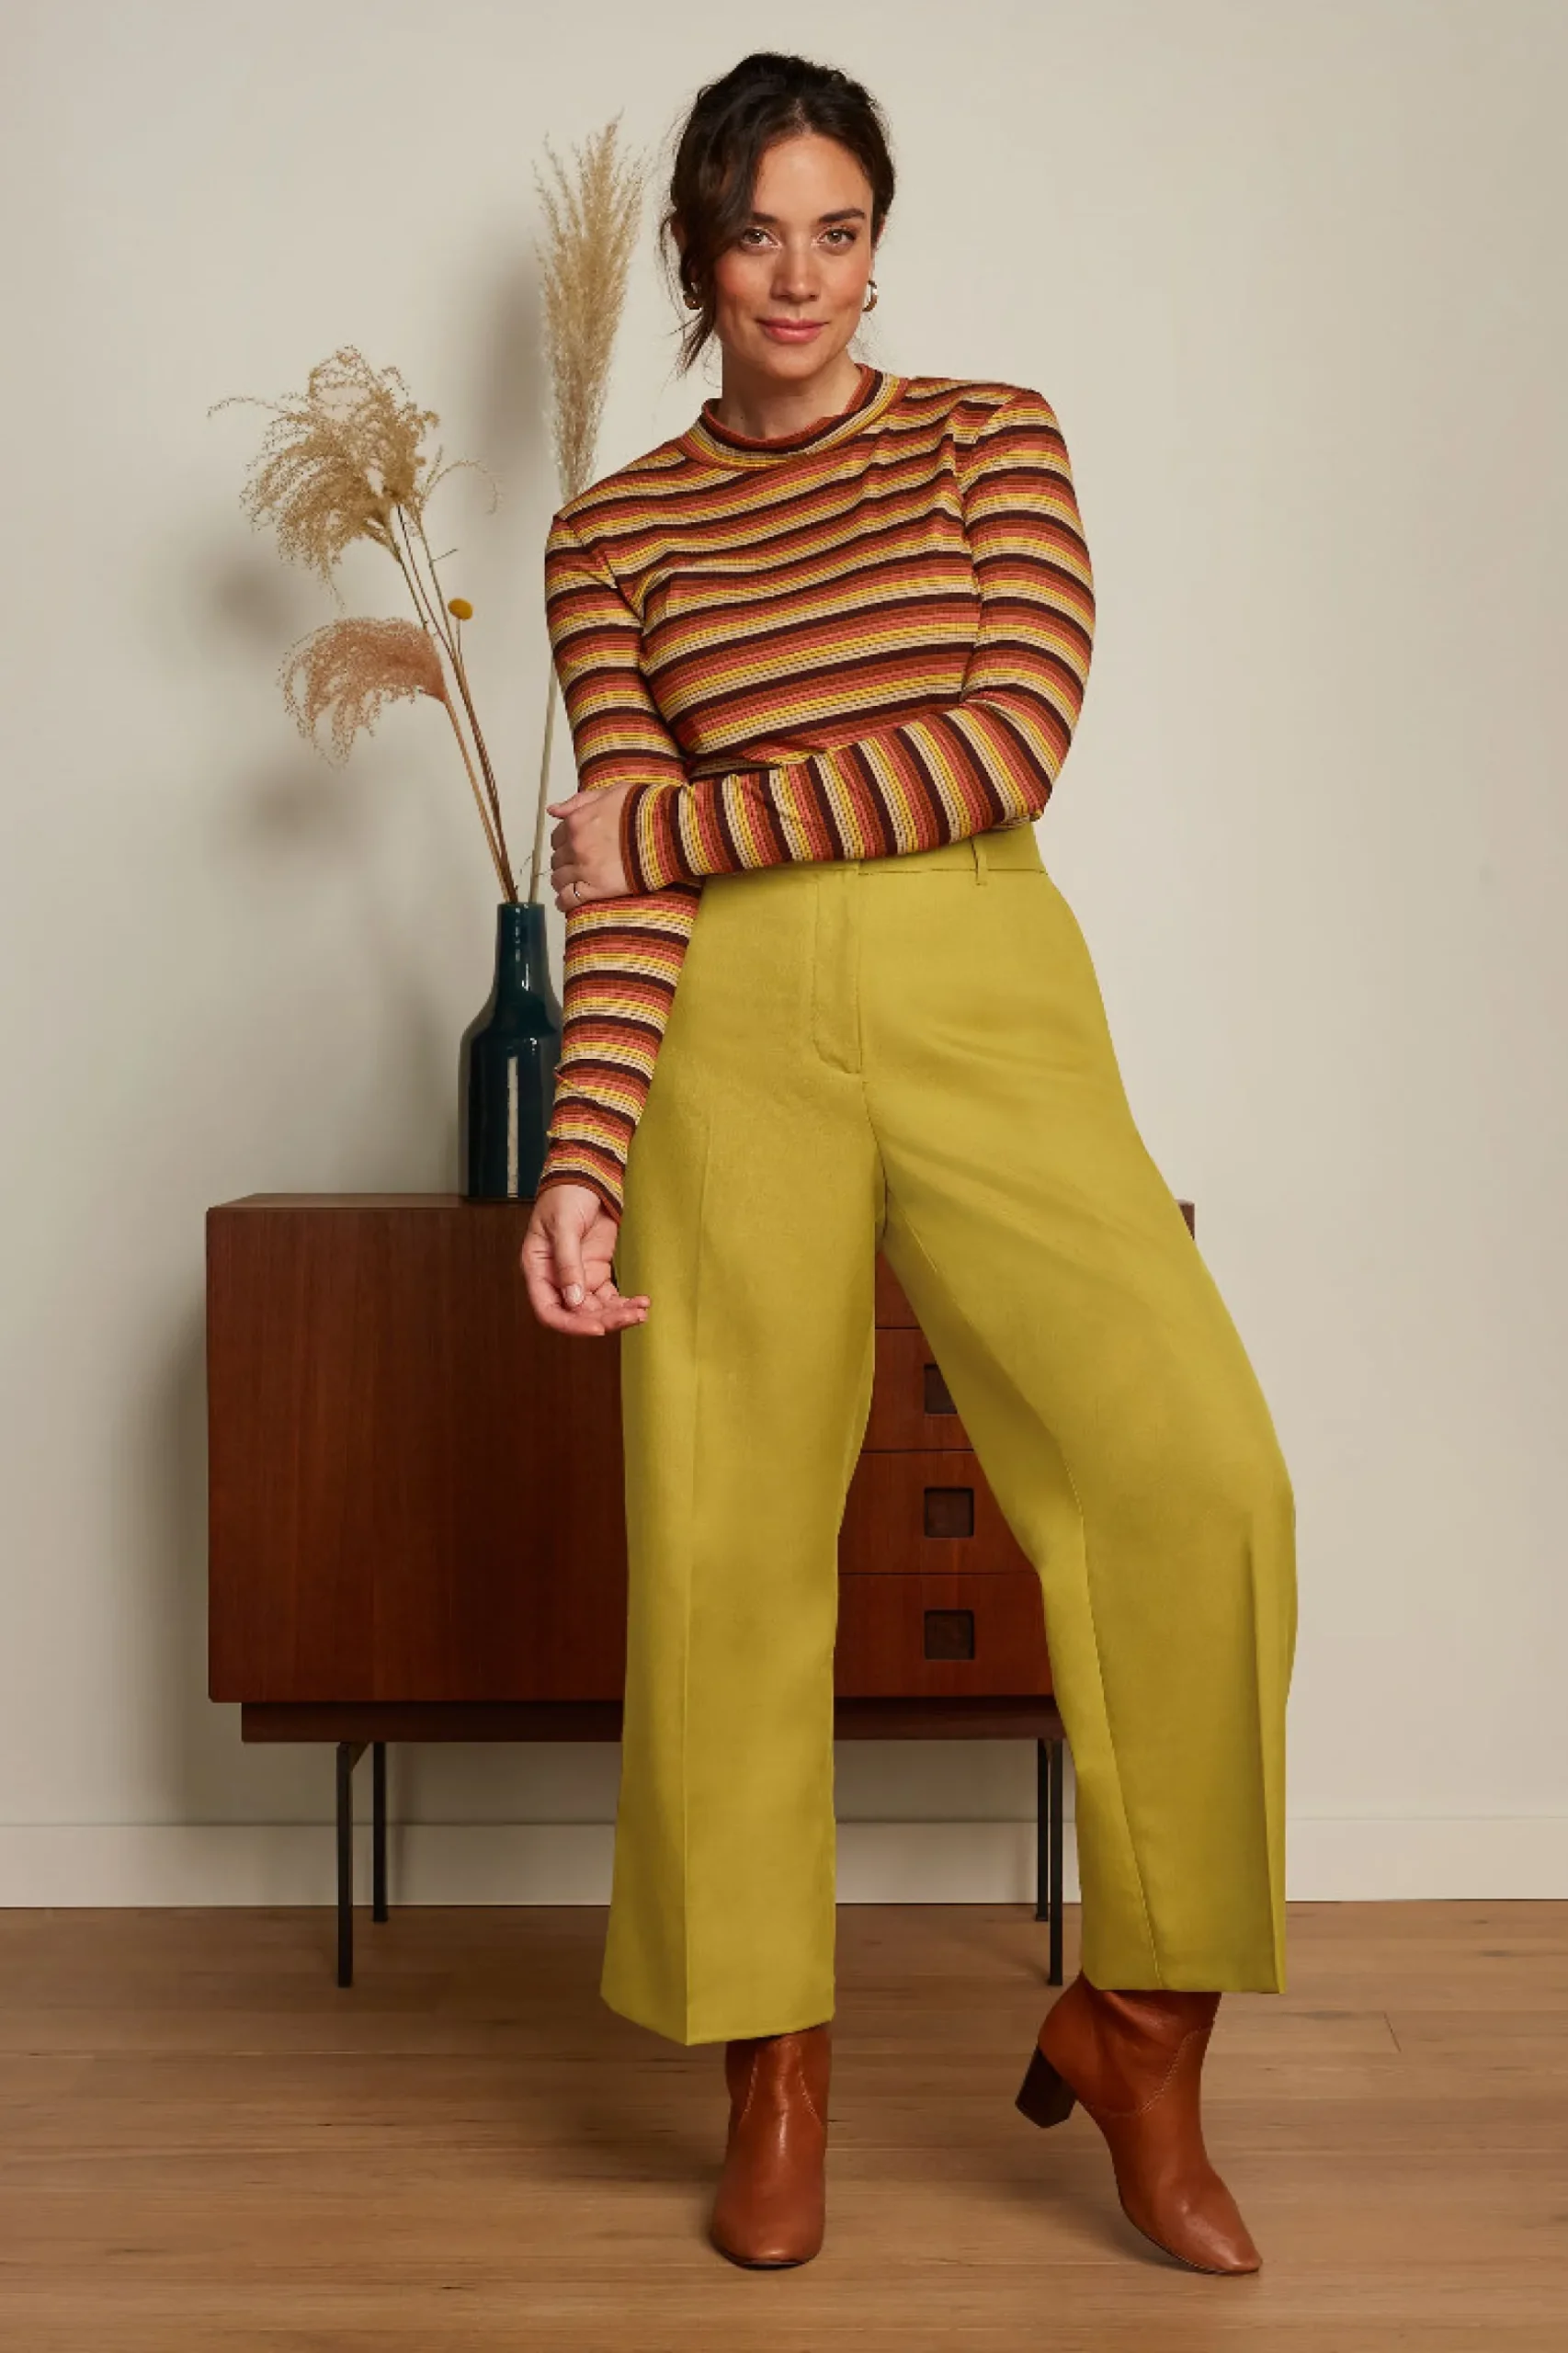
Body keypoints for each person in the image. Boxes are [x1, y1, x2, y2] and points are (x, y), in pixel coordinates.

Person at [519, 49, 1297, 2280]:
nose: (799, 275)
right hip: (729, 1037)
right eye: (756, 233)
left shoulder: (988, 438)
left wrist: (672, 818)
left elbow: (1003, 742)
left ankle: (1143, 2025)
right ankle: (770, 2064)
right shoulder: (610, 536)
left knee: (1197, 1472)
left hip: (983, 987)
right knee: (725, 1540)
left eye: (837, 230)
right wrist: (582, 1152)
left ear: (879, 245)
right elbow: (629, 909)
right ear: (695, 254)